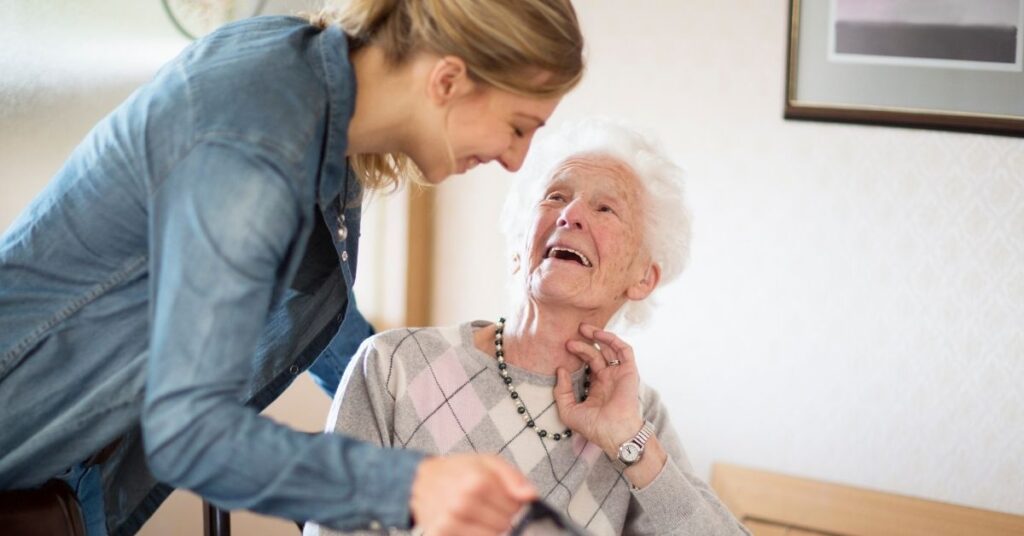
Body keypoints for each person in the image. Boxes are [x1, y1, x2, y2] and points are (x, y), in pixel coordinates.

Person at [0, 1, 584, 534]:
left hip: (74, 482)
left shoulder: (311, 106)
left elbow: (329, 326)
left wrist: (422, 439)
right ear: (448, 80)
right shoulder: (258, 141)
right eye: (518, 127)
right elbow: (188, 434)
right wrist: (409, 485)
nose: (516, 161)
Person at [305, 120, 751, 535]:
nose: (570, 214)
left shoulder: (638, 415)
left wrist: (630, 445)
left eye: (605, 208)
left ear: (642, 278)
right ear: (519, 247)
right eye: (555, 196)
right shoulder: (392, 365)